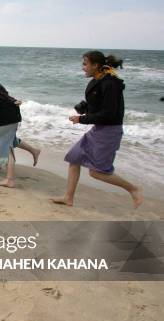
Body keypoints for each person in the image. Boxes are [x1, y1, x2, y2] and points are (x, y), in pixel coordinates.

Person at [51, 51, 143, 208]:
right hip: (98, 129)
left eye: (85, 64)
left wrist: (82, 119)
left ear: (96, 65)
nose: (83, 67)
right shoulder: (97, 80)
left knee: (97, 172)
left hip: (109, 132)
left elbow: (109, 113)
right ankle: (68, 198)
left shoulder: (111, 84)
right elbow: (98, 105)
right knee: (74, 158)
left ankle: (133, 189)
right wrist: (86, 108)